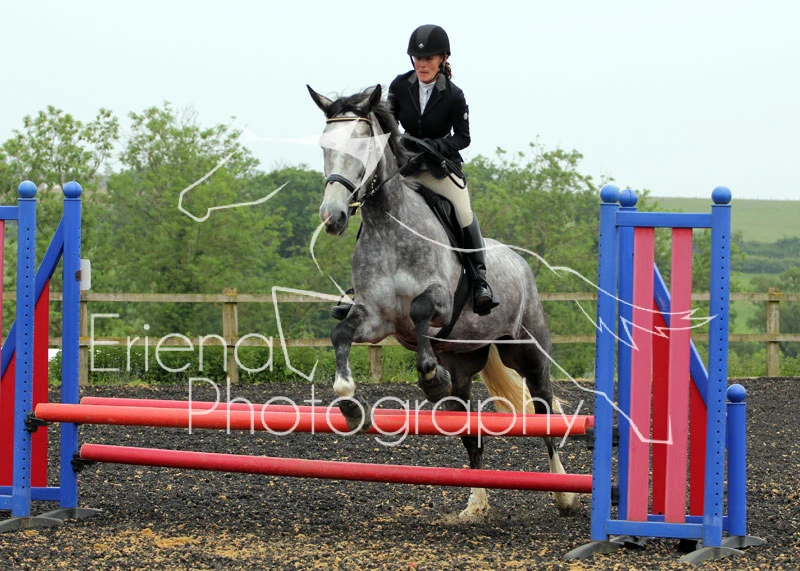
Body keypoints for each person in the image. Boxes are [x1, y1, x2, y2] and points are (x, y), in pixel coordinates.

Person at [332, 24, 499, 320]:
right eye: (418, 58)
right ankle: (360, 290)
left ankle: (480, 280)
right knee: (377, 211)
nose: (422, 64)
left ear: (442, 59)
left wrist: (436, 145)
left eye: (428, 58)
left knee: (463, 213)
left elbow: (463, 138)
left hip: (438, 170)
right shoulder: (400, 86)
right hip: (407, 168)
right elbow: (390, 124)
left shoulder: (454, 95)